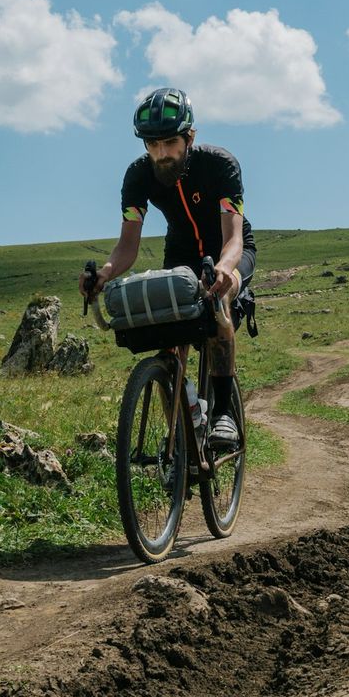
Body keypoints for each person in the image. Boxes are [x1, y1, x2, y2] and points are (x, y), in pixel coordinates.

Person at [79, 87, 255, 447]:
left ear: (190, 137)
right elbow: (128, 245)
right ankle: (179, 430)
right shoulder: (138, 176)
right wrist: (105, 274)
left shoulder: (220, 165)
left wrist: (223, 268)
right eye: (152, 144)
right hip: (180, 255)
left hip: (230, 251)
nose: (161, 153)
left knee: (219, 299)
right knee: (166, 335)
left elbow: (234, 237)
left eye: (170, 142)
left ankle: (223, 413)